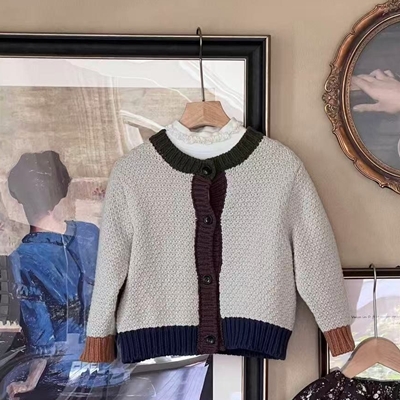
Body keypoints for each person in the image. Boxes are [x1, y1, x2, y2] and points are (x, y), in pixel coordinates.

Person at [2, 151, 129, 400]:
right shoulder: (90, 233)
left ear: (19, 198)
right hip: (109, 363)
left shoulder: (24, 256)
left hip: (65, 372)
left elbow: (41, 338)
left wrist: (29, 382)